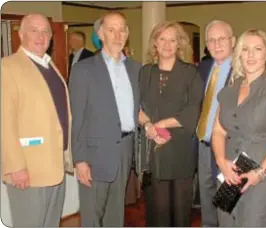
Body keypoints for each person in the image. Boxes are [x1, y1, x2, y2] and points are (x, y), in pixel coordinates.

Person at [212, 28, 266, 226]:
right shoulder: (228, 91)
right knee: (226, 222)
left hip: (261, 175)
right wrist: (221, 161)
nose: (250, 55)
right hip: (229, 174)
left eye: (257, 49)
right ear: (238, 53)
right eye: (245, 49)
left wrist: (261, 173)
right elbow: (218, 131)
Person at [68, 11, 141, 227]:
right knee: (92, 216)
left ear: (127, 34)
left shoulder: (135, 68)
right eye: (111, 30)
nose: (117, 35)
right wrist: (80, 159)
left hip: (125, 150)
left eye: (122, 30)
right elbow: (77, 117)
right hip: (94, 155)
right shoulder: (83, 70)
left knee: (115, 215)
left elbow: (137, 111)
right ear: (101, 34)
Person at [1, 13, 73, 227]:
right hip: (28, 171)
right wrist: (16, 167)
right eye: (34, 30)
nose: (41, 36)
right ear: (21, 34)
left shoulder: (50, 66)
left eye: (46, 31)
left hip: (55, 166)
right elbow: (4, 122)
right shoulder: (7, 67)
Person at [138, 21, 203, 227]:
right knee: (156, 212)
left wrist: (159, 125)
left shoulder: (190, 72)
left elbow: (193, 110)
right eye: (162, 39)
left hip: (180, 151)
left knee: (180, 213)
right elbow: (136, 107)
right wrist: (148, 126)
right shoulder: (145, 72)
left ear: (179, 44)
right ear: (155, 43)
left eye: (172, 39)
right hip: (154, 152)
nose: (167, 44)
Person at [196, 20, 236, 227]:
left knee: (227, 207)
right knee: (207, 204)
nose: (217, 44)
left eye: (222, 39)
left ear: (233, 41)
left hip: (229, 151)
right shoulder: (203, 68)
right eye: (211, 40)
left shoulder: (243, 71)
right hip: (203, 146)